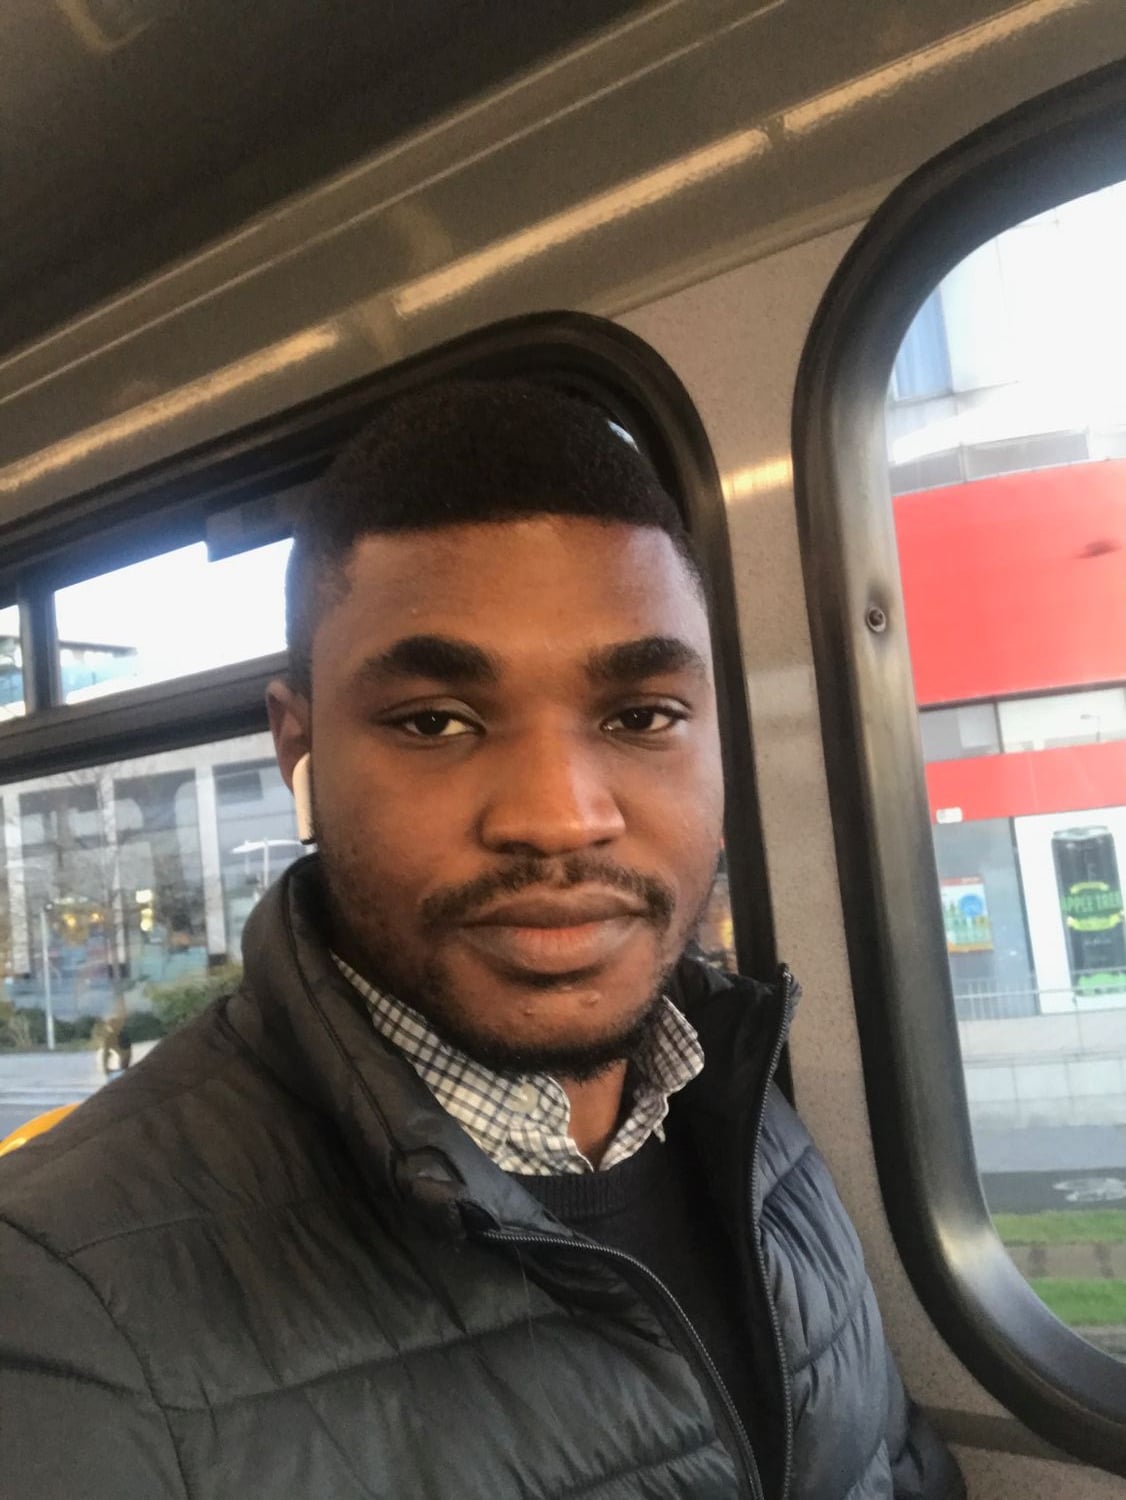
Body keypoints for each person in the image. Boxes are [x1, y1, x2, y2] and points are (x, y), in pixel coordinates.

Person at [0, 380, 964, 1499]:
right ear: (298, 746)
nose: (558, 816)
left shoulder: (754, 1124)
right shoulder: (60, 1314)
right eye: (435, 722)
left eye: (642, 716)